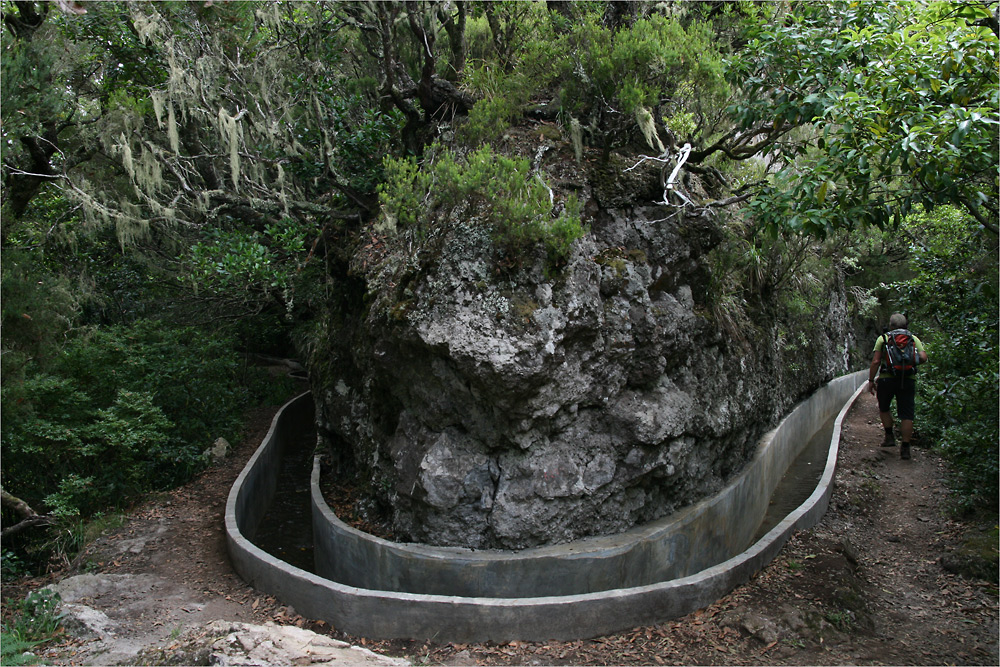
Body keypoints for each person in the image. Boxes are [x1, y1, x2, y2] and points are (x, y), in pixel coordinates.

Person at [867, 313, 928, 460]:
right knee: (907, 414)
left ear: (891, 324)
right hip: (908, 379)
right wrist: (908, 363)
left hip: (887, 379)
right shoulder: (913, 339)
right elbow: (924, 357)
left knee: (884, 407)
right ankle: (905, 448)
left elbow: (875, 361)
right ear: (905, 325)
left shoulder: (883, 339)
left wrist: (870, 380)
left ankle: (889, 437)